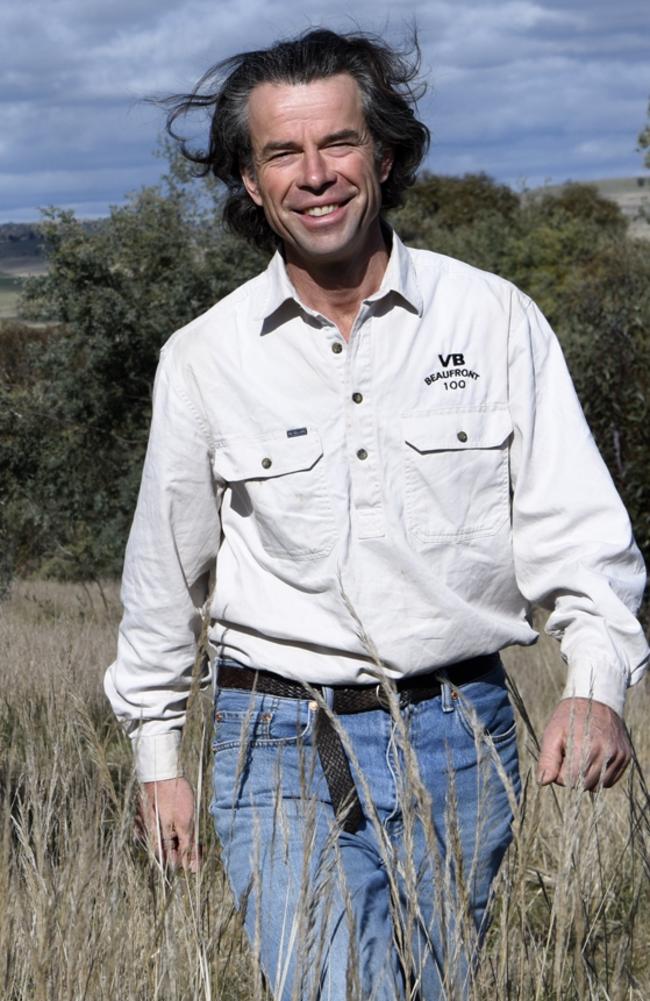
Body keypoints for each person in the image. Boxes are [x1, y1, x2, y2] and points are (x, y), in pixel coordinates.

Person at [104, 28, 648, 1001]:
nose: (314, 175)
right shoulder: (205, 354)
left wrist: (595, 679)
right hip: (272, 738)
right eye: (281, 153)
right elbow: (162, 572)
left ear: (383, 154)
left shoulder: (493, 319)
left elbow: (579, 531)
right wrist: (157, 755)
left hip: (455, 730)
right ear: (248, 181)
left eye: (338, 145)